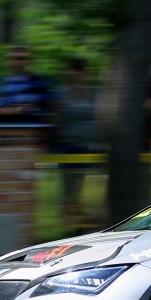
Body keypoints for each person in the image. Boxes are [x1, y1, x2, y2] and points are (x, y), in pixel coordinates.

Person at [54, 58, 100, 226]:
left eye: (80, 70)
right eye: (73, 70)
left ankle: (76, 212)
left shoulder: (92, 93)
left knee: (80, 179)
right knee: (67, 181)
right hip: (67, 144)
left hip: (85, 144)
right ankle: (67, 214)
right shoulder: (61, 93)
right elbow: (58, 118)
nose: (76, 74)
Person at [0, 46, 55, 126]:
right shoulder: (1, 83)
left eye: (23, 58)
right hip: (8, 129)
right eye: (15, 58)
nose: (19, 62)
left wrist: (31, 108)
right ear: (7, 62)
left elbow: (50, 108)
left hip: (35, 129)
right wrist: (19, 110)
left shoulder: (39, 81)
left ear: (29, 61)